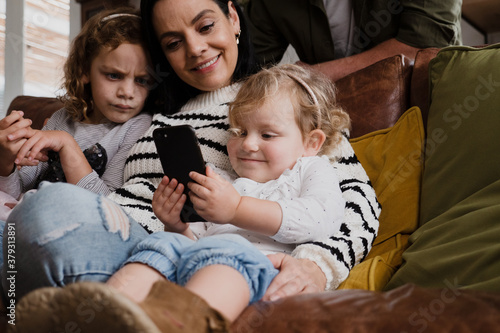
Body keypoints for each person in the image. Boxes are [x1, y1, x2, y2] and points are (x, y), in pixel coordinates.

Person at [5, 0, 379, 331]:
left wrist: (316, 265)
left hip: (169, 250)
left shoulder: (278, 107)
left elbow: (357, 202)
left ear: (233, 17)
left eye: (205, 26)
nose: (196, 49)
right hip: (151, 243)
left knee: (48, 206)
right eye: (173, 43)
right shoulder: (147, 116)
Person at [130, 63, 348, 321]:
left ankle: (184, 325)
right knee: (161, 244)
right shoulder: (222, 181)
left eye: (267, 135)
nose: (248, 143)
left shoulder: (310, 168)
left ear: (311, 143)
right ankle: (119, 309)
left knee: (229, 248)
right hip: (200, 263)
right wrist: (177, 226)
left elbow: (322, 217)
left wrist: (236, 210)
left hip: (258, 269)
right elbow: (194, 243)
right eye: (240, 131)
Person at [0, 7, 153, 220]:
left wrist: (66, 144)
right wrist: (5, 162)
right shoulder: (62, 118)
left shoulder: (138, 127)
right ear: (84, 71)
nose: (127, 93)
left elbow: (108, 207)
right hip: (25, 216)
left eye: (142, 80)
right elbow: (17, 189)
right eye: (114, 75)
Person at [244, 0, 463, 81]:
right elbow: (247, 67)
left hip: (432, 108)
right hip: (337, 126)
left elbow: (424, 45)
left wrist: (314, 75)